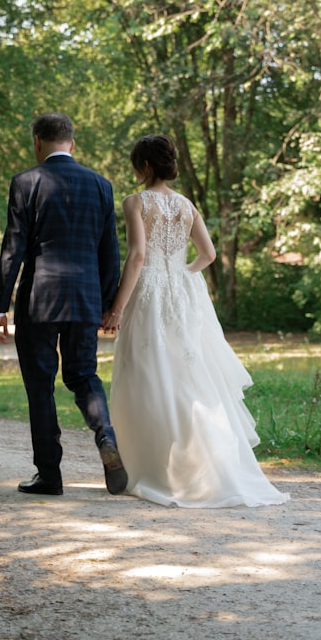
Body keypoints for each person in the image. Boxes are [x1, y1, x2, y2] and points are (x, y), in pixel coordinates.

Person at [102, 134, 289, 508]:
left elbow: (137, 257)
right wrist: (181, 273)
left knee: (147, 374)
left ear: (146, 166)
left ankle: (156, 469)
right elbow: (209, 254)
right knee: (189, 375)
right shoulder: (187, 206)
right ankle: (204, 468)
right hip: (183, 296)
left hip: (149, 294)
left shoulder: (135, 202)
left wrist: (117, 309)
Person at [0, 112, 128, 497]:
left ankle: (50, 475)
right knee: (83, 376)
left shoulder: (26, 183)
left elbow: (12, 249)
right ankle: (106, 439)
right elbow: (109, 252)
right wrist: (107, 303)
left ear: (37, 142)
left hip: (39, 302)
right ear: (73, 141)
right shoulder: (101, 185)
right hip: (85, 300)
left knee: (41, 385)